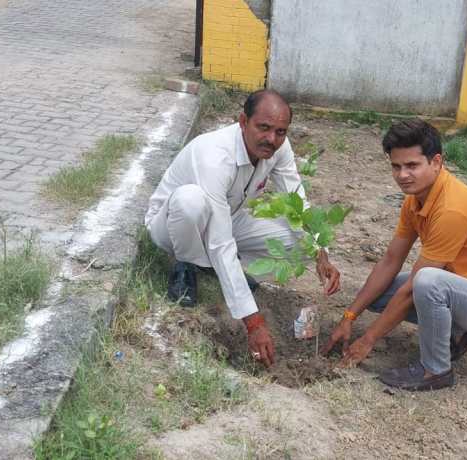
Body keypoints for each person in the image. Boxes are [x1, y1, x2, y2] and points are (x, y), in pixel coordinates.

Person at [322, 119, 467, 391]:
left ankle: (436, 370)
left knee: (428, 282)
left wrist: (367, 340)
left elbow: (413, 288)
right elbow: (390, 261)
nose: (403, 175)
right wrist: (349, 317)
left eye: (412, 165)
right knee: (380, 293)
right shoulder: (415, 199)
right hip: (465, 288)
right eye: (396, 166)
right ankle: (457, 333)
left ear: (436, 162)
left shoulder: (452, 209)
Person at [145, 89, 341, 368]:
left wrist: (321, 253)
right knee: (191, 202)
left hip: (227, 217)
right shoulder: (214, 156)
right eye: (263, 127)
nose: (271, 139)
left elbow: (297, 201)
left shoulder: (278, 148)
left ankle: (210, 267)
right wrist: (254, 322)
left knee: (299, 240)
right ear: (242, 121)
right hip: (173, 225)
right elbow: (221, 242)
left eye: (280, 131)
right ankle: (186, 264)